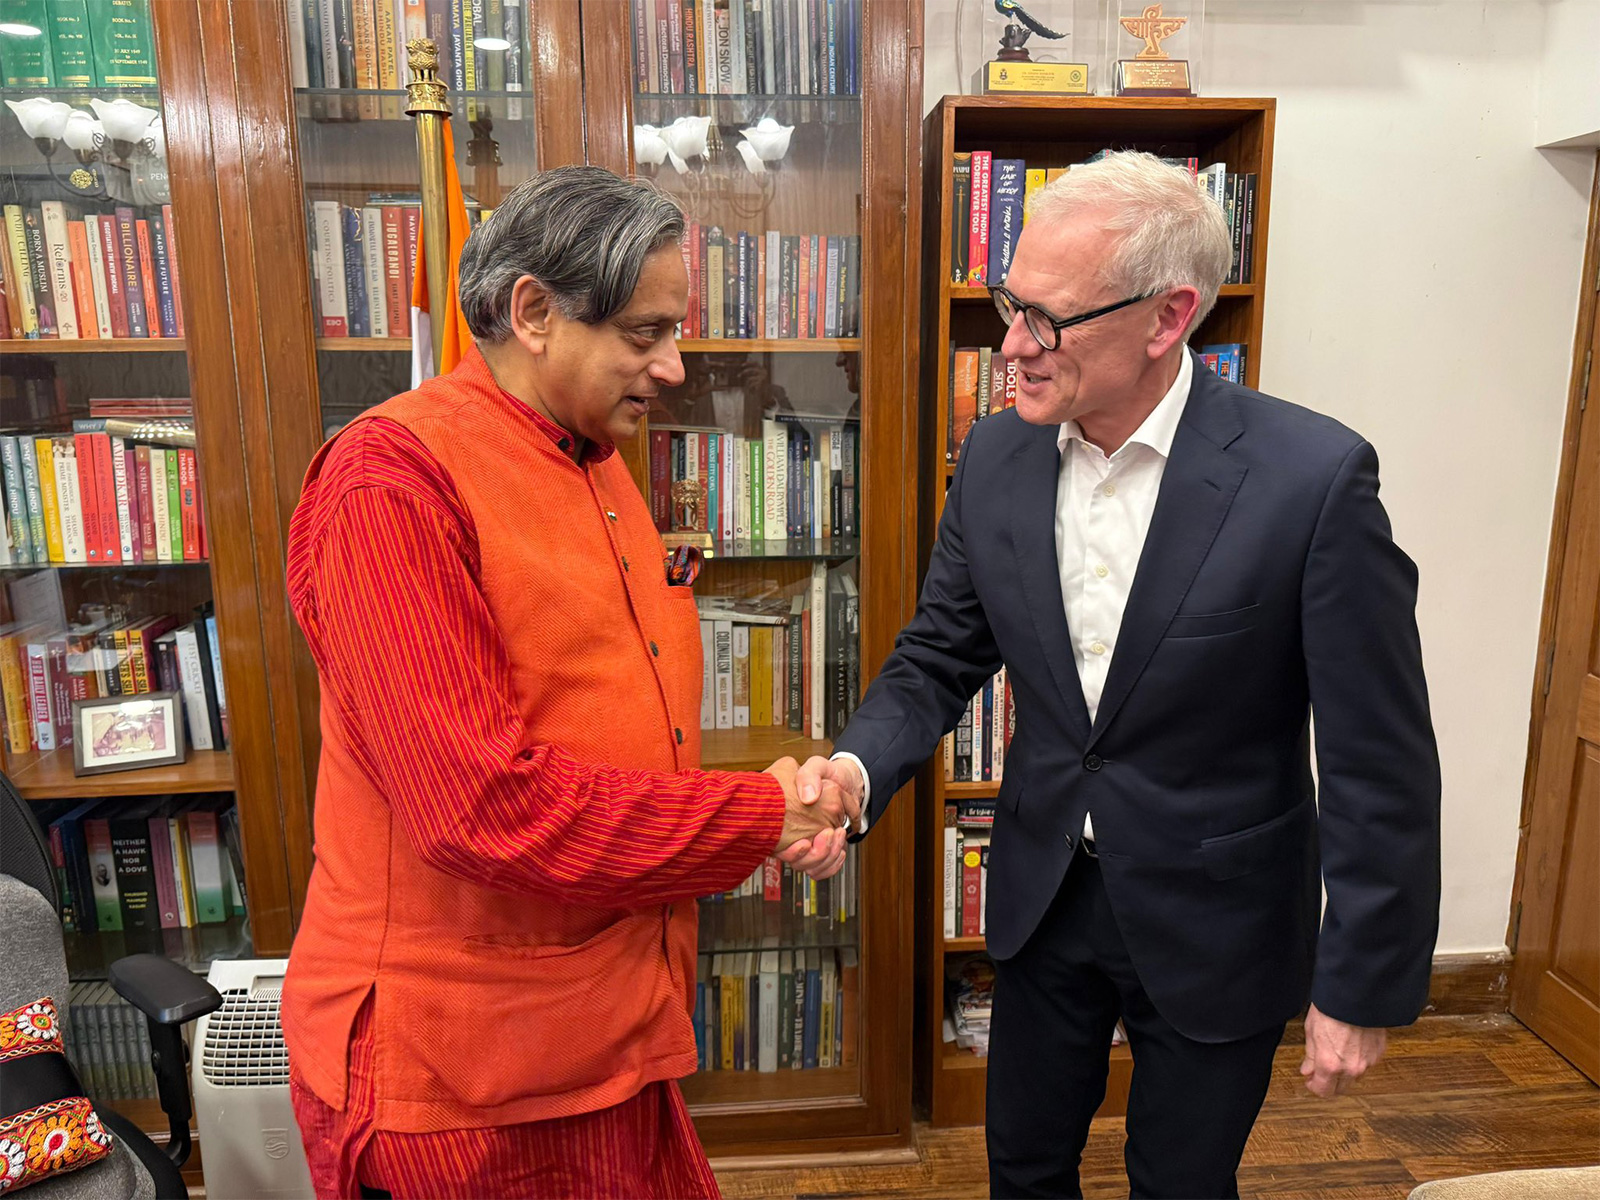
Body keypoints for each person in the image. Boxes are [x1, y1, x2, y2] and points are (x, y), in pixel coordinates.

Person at [788, 151, 1442, 1199]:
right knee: (1025, 1169)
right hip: (1045, 894)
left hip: (1218, 913)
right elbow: (938, 655)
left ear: (1166, 316)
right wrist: (856, 777)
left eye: (1047, 319)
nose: (1011, 345)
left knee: (1179, 1184)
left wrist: (1360, 978)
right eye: (1010, 304)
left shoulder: (1311, 482)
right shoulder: (998, 457)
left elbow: (1379, 757)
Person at [281, 166, 855, 1200]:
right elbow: (481, 808)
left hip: (608, 1026)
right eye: (644, 334)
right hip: (464, 1082)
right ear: (534, 312)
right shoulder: (391, 482)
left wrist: (768, 815)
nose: (673, 367)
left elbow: (606, 722)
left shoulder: (590, 456)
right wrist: (757, 813)